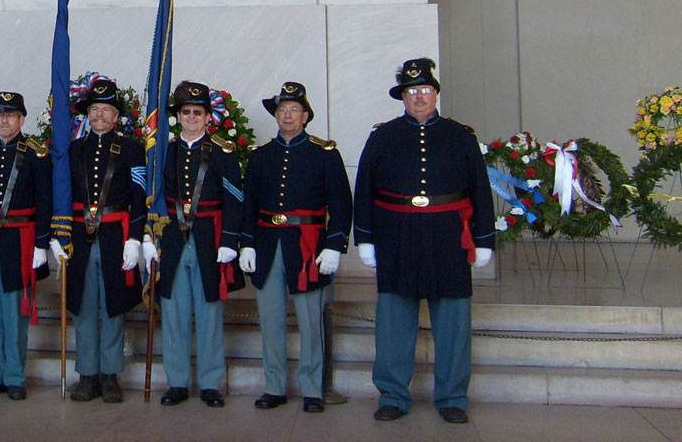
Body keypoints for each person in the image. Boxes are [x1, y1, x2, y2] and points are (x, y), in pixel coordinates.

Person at [354, 58, 495, 424]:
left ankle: (452, 397)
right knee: (394, 322)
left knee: (452, 321)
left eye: (426, 90)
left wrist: (484, 240)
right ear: (402, 97)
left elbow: (480, 189)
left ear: (435, 94)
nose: (419, 97)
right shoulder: (382, 136)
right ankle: (393, 394)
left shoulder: (460, 135)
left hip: (448, 235)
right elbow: (364, 189)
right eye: (412, 91)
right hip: (396, 234)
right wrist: (365, 239)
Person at [239, 82, 352, 413]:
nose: (287, 115)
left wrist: (335, 245)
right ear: (276, 115)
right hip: (267, 243)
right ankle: (274, 386)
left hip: (308, 246)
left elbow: (341, 204)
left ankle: (312, 389)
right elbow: (249, 204)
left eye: (294, 110)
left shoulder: (324, 153)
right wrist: (247, 244)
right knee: (270, 321)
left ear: (305, 116)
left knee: (309, 321)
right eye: (282, 110)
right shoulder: (260, 156)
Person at [143, 80, 243, 408]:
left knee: (209, 312)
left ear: (207, 116)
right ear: (178, 116)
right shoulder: (164, 153)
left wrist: (230, 240)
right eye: (185, 112)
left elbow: (235, 200)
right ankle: (177, 382)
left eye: (197, 112)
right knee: (174, 312)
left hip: (209, 239)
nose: (191, 117)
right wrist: (150, 235)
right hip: (172, 237)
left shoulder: (223, 153)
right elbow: (153, 198)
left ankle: (211, 383)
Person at [54, 76, 147, 403]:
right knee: (82, 305)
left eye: (106, 110)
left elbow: (140, 197)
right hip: (79, 236)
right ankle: (87, 375)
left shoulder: (132, 150)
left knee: (113, 306)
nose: (99, 116)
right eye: (94, 109)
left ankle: (110, 375)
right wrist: (59, 234)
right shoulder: (74, 149)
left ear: (116, 115)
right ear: (87, 113)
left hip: (114, 235)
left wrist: (135, 238)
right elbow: (62, 196)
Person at [0, 91, 52, 400]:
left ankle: (15, 376)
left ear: (22, 119)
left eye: (10, 115)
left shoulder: (36, 154)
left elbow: (45, 202)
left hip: (20, 240)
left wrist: (42, 244)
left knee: (15, 312)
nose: (4, 120)